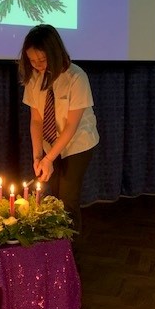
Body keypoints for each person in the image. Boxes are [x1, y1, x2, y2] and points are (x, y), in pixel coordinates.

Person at [18, 24, 99, 253]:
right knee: (52, 197)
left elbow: (72, 126)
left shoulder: (76, 77)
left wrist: (48, 159)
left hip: (78, 144)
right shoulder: (35, 78)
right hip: (50, 145)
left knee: (68, 199)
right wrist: (38, 156)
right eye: (32, 61)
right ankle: (52, 249)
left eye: (42, 60)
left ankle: (69, 256)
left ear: (54, 52)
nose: (37, 65)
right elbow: (36, 120)